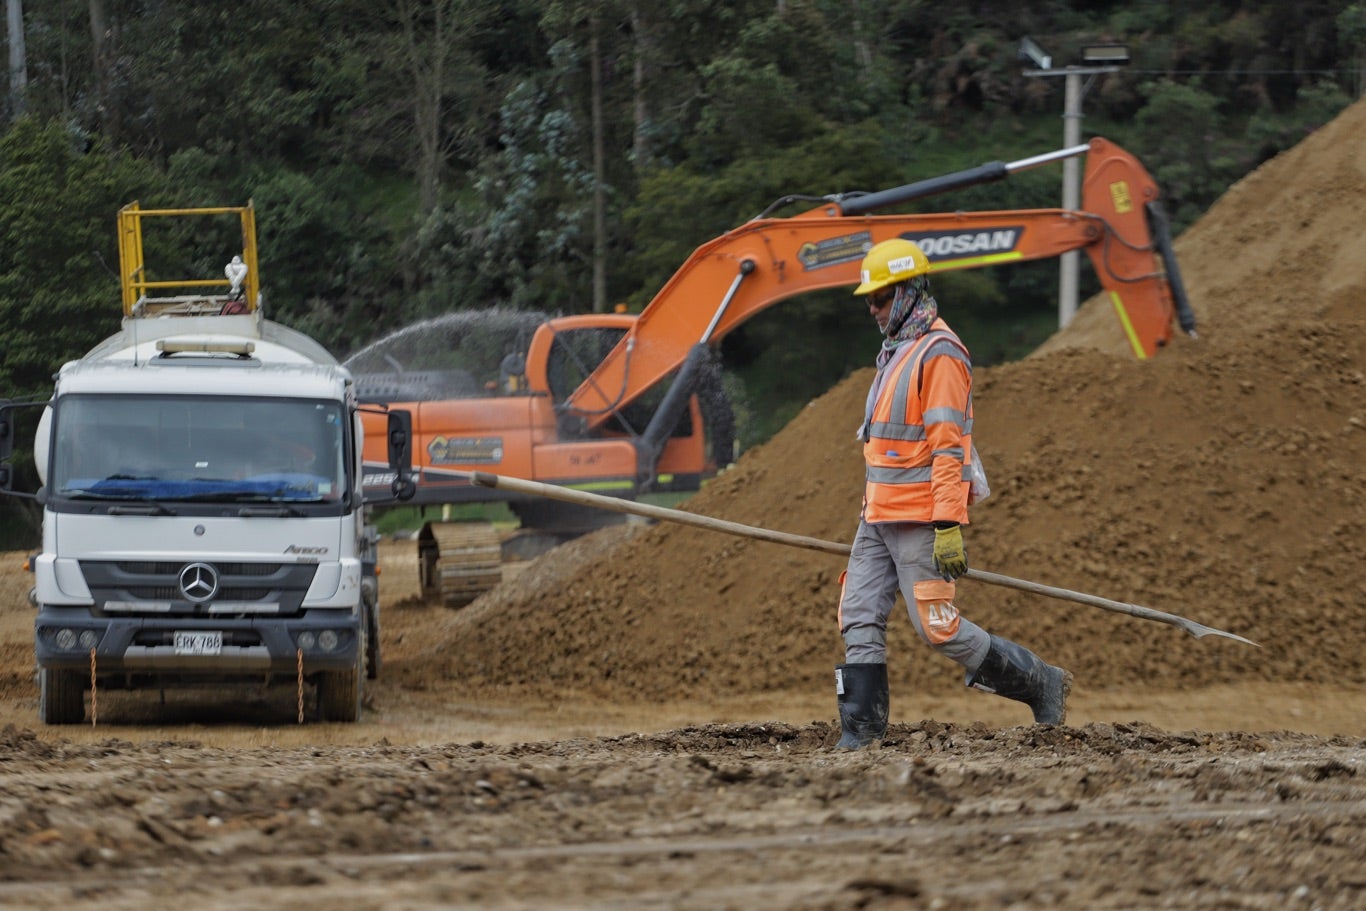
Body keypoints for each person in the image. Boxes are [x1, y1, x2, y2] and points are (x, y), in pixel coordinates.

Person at [834, 238, 1072, 749]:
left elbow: (949, 448)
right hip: (877, 516)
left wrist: (947, 525)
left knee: (937, 628)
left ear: (907, 292)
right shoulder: (898, 349)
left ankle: (1041, 682)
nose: (872, 310)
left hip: (921, 519)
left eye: (879, 299)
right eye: (869, 301)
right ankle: (859, 735)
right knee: (856, 615)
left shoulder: (939, 354)